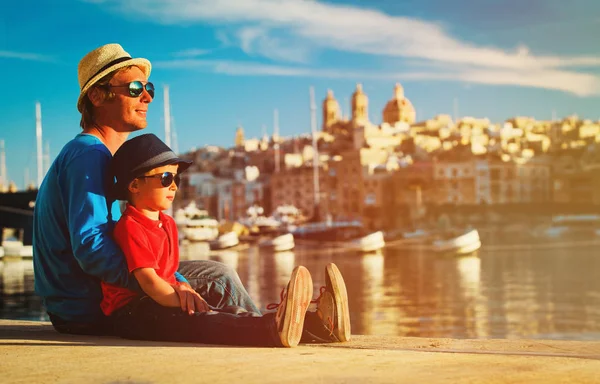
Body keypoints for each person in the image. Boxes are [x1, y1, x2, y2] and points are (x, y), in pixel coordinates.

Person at [32, 42, 350, 343]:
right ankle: (280, 330)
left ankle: (307, 326)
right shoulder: (89, 155)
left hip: (91, 297)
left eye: (149, 88)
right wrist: (168, 283)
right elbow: (91, 247)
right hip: (86, 307)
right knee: (216, 279)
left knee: (216, 274)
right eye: (134, 89)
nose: (147, 97)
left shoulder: (97, 156)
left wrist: (168, 280)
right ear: (98, 97)